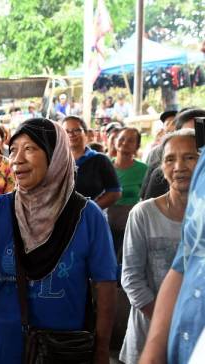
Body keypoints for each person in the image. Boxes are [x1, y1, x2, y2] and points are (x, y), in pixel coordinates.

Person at [0, 118, 117, 364]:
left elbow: (105, 285)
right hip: (4, 344)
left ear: (55, 154)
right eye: (13, 150)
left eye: (30, 149)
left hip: (63, 348)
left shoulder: (87, 215)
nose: (17, 159)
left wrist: (101, 350)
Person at [120, 129, 199, 364]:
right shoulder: (143, 214)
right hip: (146, 342)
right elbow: (131, 279)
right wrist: (169, 326)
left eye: (189, 157)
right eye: (170, 159)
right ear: (161, 168)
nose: (179, 166)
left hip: (195, 344)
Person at [62, 116, 121, 209]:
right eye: (67, 131)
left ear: (85, 133)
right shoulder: (56, 161)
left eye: (76, 130)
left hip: (90, 219)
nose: (71, 134)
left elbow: (115, 192)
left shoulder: (100, 160)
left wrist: (89, 210)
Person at [109, 127, 148, 255]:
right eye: (122, 139)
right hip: (105, 225)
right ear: (115, 141)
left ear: (137, 146)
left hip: (131, 227)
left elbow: (147, 199)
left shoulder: (144, 169)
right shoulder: (104, 165)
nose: (125, 142)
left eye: (131, 140)